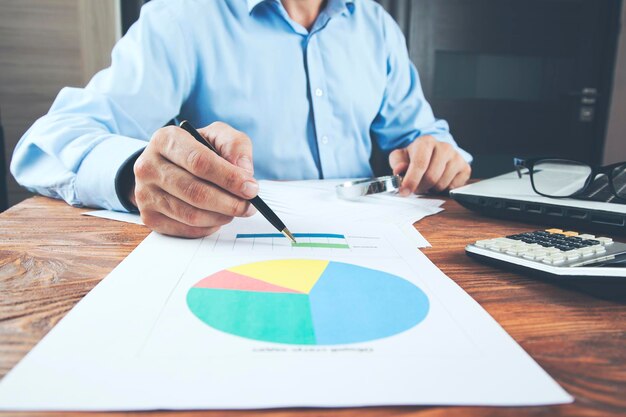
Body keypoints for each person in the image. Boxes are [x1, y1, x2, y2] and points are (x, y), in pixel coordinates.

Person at [11, 0, 472, 238]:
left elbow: (418, 135)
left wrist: (437, 154)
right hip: (232, 257)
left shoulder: (377, 26)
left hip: (380, 252)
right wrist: (136, 175)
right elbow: (48, 142)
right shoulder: (183, 18)